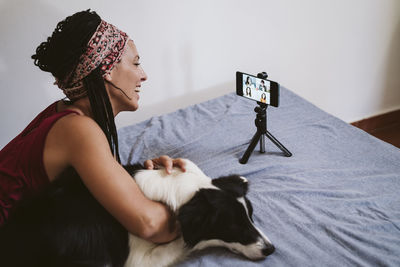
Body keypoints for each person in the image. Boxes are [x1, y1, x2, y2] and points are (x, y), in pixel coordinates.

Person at [0, 10, 185, 244]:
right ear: (106, 69)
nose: (143, 75)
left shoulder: (65, 115)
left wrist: (144, 177)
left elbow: (102, 184)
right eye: (136, 63)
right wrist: (197, 207)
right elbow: (149, 225)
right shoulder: (76, 129)